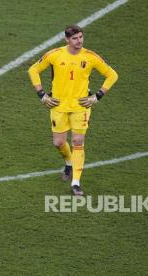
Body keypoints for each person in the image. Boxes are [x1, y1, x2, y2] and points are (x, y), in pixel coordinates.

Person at [28, 25, 118, 196]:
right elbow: (33, 70)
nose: (79, 41)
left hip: (81, 106)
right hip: (58, 105)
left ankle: (76, 183)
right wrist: (42, 95)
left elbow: (112, 74)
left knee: (78, 141)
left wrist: (97, 96)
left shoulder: (90, 57)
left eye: (81, 37)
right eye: (75, 38)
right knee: (59, 143)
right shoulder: (55, 54)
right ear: (67, 40)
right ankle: (69, 162)